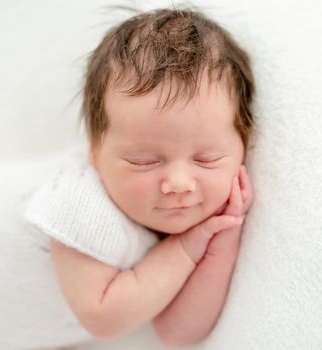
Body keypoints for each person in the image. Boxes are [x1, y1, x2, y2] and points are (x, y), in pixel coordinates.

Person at [36, 7, 255, 347]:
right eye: (144, 161)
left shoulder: (187, 220)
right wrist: (185, 248)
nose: (180, 183)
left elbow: (178, 332)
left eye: (206, 158)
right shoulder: (77, 201)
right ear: (95, 153)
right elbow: (102, 316)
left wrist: (220, 244)